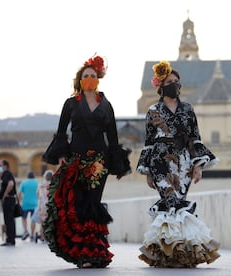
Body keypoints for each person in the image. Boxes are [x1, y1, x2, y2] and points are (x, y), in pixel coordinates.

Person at [42, 54, 131, 268]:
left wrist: (118, 165)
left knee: (93, 203)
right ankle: (83, 254)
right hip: (76, 159)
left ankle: (95, 253)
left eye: (93, 75)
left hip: (100, 162)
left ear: (98, 78)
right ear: (80, 80)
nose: (89, 78)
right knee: (79, 204)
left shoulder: (106, 104)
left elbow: (113, 137)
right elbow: (61, 132)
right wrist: (62, 155)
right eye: (86, 76)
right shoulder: (71, 103)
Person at [136, 60, 220, 268]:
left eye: (177, 81)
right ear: (161, 86)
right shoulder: (153, 110)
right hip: (159, 162)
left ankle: (170, 253)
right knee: (171, 201)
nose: (175, 84)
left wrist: (198, 166)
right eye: (171, 81)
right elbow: (148, 141)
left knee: (177, 203)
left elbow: (195, 138)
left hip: (183, 162)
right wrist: (147, 171)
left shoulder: (188, 109)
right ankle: (176, 251)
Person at [0, 159, 17, 246]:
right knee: (9, 220)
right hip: (10, 200)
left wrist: (5, 194)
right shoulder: (6, 174)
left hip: (8, 200)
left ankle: (10, 239)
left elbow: (11, 184)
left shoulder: (7, 174)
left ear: (5, 166)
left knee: (9, 220)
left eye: (0, 165)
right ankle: (10, 239)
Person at [32, 170, 53, 243]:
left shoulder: (40, 184)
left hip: (41, 204)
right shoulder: (53, 184)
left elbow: (37, 193)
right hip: (50, 204)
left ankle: (42, 236)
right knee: (50, 221)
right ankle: (48, 236)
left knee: (42, 222)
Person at [18, 171, 39, 242]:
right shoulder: (37, 182)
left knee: (24, 218)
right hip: (35, 204)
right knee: (33, 220)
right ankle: (32, 235)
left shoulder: (24, 182)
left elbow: (19, 193)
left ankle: (25, 231)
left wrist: (19, 202)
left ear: (27, 176)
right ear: (34, 176)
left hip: (25, 204)